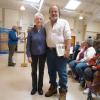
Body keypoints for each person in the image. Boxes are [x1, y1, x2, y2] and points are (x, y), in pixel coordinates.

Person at [45, 5, 71, 100]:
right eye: (52, 11)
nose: (54, 13)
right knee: (51, 71)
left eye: (55, 11)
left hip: (61, 52)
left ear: (59, 12)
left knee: (62, 72)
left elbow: (68, 37)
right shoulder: (46, 24)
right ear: (49, 13)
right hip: (50, 52)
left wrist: (67, 50)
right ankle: (53, 88)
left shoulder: (64, 22)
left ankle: (63, 90)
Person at [26, 12, 46, 95]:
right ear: (35, 20)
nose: (39, 20)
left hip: (43, 54)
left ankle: (40, 88)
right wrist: (29, 56)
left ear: (42, 21)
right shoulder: (31, 31)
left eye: (40, 19)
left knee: (41, 71)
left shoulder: (44, 30)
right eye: (37, 19)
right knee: (34, 71)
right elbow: (28, 45)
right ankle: (34, 88)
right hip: (33, 55)